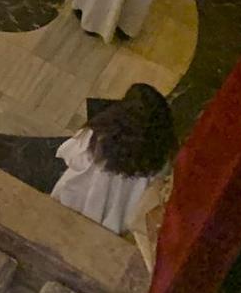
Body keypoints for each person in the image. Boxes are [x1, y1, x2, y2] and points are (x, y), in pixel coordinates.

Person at [50, 85, 176, 232]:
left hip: (77, 202)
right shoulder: (159, 154)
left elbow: (72, 156)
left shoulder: (99, 135)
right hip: (119, 218)